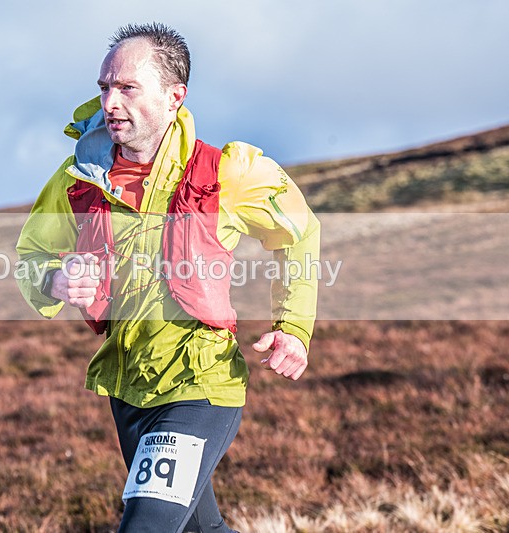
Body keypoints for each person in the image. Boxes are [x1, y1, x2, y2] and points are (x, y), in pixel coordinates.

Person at [16, 22, 320, 532]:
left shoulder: (227, 171)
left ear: (174, 96)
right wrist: (54, 279)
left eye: (127, 88)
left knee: (146, 527)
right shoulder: (76, 181)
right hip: (127, 386)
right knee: (202, 528)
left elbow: (299, 234)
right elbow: (31, 253)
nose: (111, 102)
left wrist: (293, 326)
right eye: (105, 88)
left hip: (200, 383)